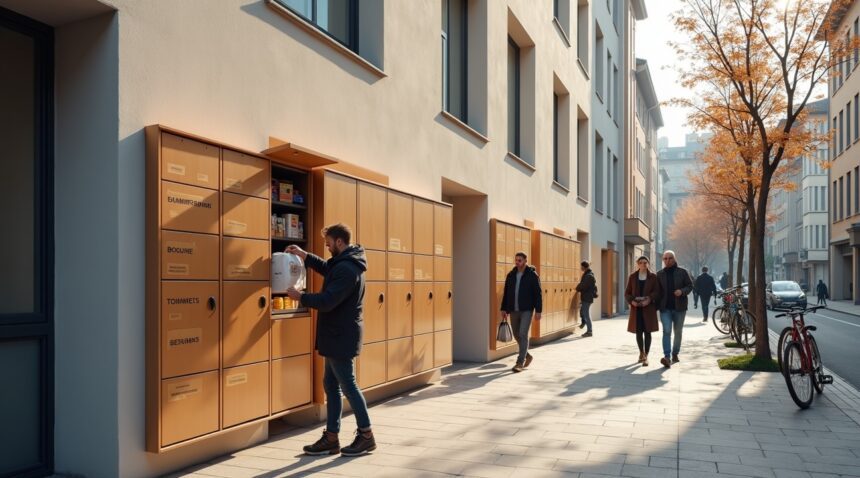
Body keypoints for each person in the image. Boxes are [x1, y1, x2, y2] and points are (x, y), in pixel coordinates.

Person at [285, 224, 376, 457]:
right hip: (335, 335)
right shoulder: (345, 262)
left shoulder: (347, 269)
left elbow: (328, 300)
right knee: (331, 385)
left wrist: (301, 296)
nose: (326, 246)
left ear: (339, 242)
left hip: (341, 336)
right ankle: (332, 437)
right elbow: (328, 268)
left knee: (348, 385)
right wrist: (305, 256)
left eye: (328, 243)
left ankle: (366, 435)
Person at [500, 252, 543, 373]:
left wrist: (538, 311)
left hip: (527, 309)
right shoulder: (511, 275)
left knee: (523, 334)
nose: (517, 262)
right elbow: (506, 293)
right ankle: (527, 356)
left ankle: (520, 362)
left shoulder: (532, 275)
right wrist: (504, 308)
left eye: (520, 260)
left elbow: (538, 294)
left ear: (525, 261)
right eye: (516, 260)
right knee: (516, 334)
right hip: (514, 309)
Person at [656, 250, 694, 368]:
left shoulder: (682, 272)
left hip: (679, 308)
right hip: (665, 308)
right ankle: (667, 356)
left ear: (675, 259)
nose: (667, 260)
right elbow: (656, 291)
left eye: (670, 258)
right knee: (666, 331)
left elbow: (690, 286)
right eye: (665, 258)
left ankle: (675, 353)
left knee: (678, 331)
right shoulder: (659, 274)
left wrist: (682, 291)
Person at [625, 256, 661, 367]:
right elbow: (627, 293)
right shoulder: (632, 277)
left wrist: (649, 299)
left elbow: (657, 292)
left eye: (645, 262)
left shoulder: (653, 277)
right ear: (637, 264)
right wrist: (632, 302)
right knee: (639, 331)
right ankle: (641, 352)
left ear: (648, 264)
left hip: (648, 308)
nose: (643, 264)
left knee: (648, 331)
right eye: (641, 262)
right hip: (636, 308)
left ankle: (646, 355)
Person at [575, 260, 597, 337]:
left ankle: (589, 331)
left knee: (586, 314)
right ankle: (584, 323)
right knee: (583, 312)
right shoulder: (588, 274)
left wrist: (577, 288)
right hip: (586, 297)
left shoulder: (588, 276)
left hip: (587, 298)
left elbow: (583, 285)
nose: (580, 268)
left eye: (581, 266)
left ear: (584, 267)